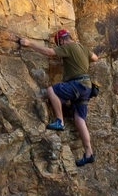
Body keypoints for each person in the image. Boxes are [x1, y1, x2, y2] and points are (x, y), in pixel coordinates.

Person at [15, 29, 98, 166]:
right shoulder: (82, 47)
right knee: (79, 119)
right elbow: (95, 58)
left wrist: (30, 44)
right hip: (87, 87)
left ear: (62, 40)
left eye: (59, 44)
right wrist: (80, 61)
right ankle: (89, 153)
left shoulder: (67, 47)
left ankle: (60, 122)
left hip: (77, 84)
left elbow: (49, 53)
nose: (59, 47)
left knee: (51, 90)